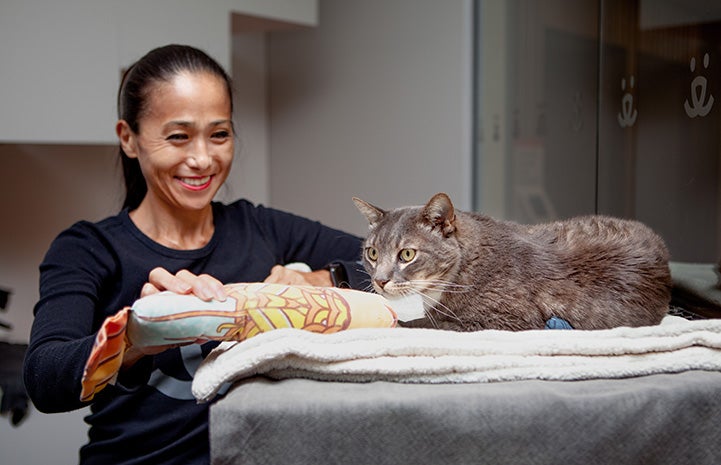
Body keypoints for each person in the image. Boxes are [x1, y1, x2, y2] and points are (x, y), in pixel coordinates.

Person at [23, 44, 365, 465]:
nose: (203, 159)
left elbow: (393, 267)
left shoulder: (262, 228)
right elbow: (44, 379)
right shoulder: (90, 249)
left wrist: (320, 279)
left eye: (219, 134)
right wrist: (133, 338)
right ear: (128, 139)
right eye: (178, 136)